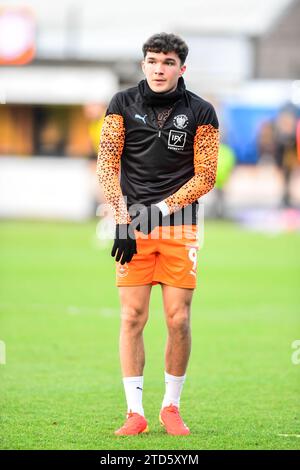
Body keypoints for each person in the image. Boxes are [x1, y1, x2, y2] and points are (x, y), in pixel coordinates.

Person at [97, 32, 219, 436]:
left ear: (181, 68)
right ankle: (135, 413)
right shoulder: (121, 104)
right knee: (132, 316)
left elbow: (206, 175)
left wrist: (160, 209)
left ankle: (171, 406)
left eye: (167, 62)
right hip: (132, 224)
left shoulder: (201, 111)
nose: (159, 69)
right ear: (142, 64)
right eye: (152, 61)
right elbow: (107, 165)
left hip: (179, 224)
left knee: (178, 318)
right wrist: (120, 219)